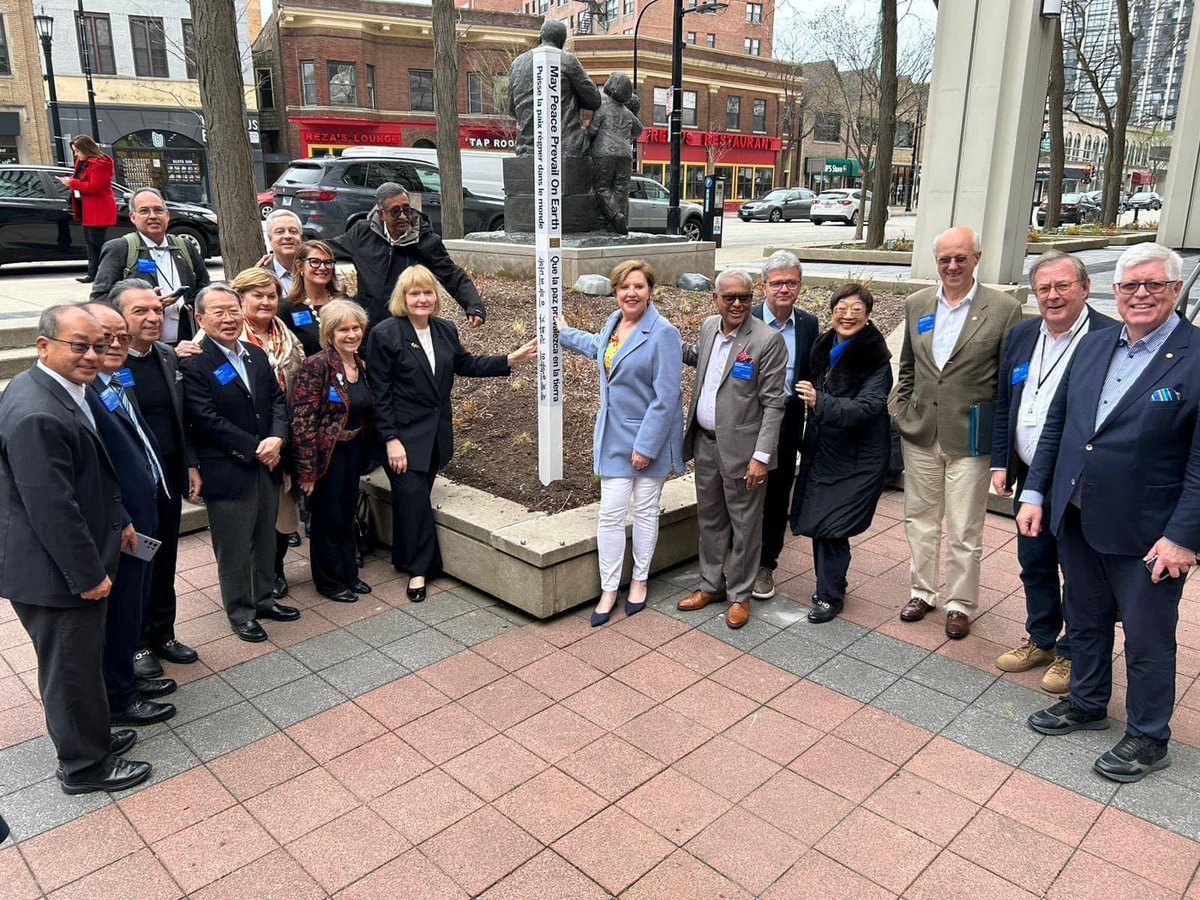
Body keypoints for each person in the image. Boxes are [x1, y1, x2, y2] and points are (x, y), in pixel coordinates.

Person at [1017, 243, 1200, 784]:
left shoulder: (1195, 356)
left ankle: (1148, 735)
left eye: (1153, 285)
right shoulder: (1094, 346)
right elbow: (1060, 428)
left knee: (1146, 638)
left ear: (1174, 290)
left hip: (1150, 533)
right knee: (1087, 620)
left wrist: (1184, 537)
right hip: (1078, 515)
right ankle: (1087, 701)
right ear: (1114, 292)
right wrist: (1035, 494)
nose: (1140, 294)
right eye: (1129, 286)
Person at [0, 305, 150, 794]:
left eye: (99, 344)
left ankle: (92, 736)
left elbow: (88, 476)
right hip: (55, 572)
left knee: (81, 664)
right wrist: (87, 573)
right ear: (44, 346)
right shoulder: (38, 412)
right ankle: (84, 767)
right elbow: (52, 508)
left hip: (66, 557)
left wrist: (121, 520)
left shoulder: (60, 389)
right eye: (79, 345)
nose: (93, 354)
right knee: (70, 671)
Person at [366, 265, 536, 602]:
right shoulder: (385, 334)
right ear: (403, 297)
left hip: (434, 435)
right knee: (414, 501)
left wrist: (510, 359)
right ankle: (419, 571)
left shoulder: (443, 329)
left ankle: (403, 556)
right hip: (402, 437)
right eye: (415, 293)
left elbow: (465, 365)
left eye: (428, 292)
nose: (422, 298)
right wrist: (391, 439)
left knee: (410, 502)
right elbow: (379, 393)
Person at [990, 251, 1118, 693]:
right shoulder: (1023, 334)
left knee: (1079, 572)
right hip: (1030, 474)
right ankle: (1041, 637)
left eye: (1063, 285)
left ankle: (1071, 652)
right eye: (1044, 288)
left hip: (1080, 481)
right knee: (1035, 561)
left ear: (1084, 288)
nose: (1053, 296)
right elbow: (1008, 402)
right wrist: (1000, 460)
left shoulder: (1110, 337)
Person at [892, 226, 1023, 639]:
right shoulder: (917, 304)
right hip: (920, 432)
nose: (952, 266)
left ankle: (960, 603)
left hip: (971, 437)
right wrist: (900, 410)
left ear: (976, 258)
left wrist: (1001, 439)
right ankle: (923, 591)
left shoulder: (1003, 308)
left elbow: (1007, 380)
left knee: (965, 527)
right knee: (920, 520)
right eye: (945, 259)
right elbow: (909, 368)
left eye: (960, 258)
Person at [557, 260, 684, 626]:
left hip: (649, 438)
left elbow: (667, 397)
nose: (631, 293)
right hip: (613, 437)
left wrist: (646, 446)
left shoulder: (663, 333)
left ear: (650, 291)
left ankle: (640, 580)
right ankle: (609, 587)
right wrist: (566, 333)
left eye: (639, 287)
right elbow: (601, 348)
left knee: (645, 512)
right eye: (625, 287)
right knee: (610, 514)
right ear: (615, 291)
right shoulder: (614, 324)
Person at [181, 285, 300, 642]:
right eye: (217, 312)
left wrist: (277, 438)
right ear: (200, 319)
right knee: (233, 546)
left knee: (265, 538)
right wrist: (255, 448)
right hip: (229, 468)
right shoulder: (194, 362)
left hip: (268, 462)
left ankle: (264, 598)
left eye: (232, 310)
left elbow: (278, 400)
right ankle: (240, 611)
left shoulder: (254, 353)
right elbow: (204, 418)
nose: (228, 319)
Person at [81, 302, 177, 725]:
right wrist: (125, 518)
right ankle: (121, 697)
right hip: (123, 525)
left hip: (145, 513)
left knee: (136, 599)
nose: (116, 344)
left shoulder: (116, 380)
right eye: (106, 337)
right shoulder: (85, 393)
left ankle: (126, 680)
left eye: (122, 336)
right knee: (120, 611)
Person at [677, 270, 788, 629]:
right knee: (709, 519)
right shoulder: (710, 326)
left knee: (744, 525)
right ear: (716, 299)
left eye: (744, 297)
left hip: (744, 452)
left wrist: (761, 456)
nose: (737, 304)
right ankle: (711, 585)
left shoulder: (767, 340)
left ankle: (740, 595)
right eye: (730, 298)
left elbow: (774, 405)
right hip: (706, 443)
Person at [110, 279, 203, 679]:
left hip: (167, 479)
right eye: (139, 311)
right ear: (118, 318)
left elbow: (181, 420)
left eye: (156, 309)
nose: (152, 318)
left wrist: (190, 465)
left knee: (165, 561)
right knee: (136, 569)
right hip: (132, 488)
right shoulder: (110, 366)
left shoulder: (166, 356)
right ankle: (136, 645)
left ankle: (163, 632)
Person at [792, 284, 893, 623]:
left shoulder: (876, 359)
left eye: (856, 311)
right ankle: (830, 586)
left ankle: (829, 597)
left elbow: (868, 407)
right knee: (821, 523)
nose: (847, 316)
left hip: (858, 458)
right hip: (824, 451)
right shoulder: (825, 345)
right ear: (832, 311)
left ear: (867, 317)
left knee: (834, 526)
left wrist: (821, 401)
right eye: (841, 308)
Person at [229, 268, 306, 600]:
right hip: (245, 443)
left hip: (284, 436)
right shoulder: (227, 336)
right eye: (256, 295)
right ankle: (248, 580)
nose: (265, 301)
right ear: (241, 298)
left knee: (283, 512)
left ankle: (275, 570)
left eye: (271, 295)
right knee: (250, 515)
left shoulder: (286, 334)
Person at [291, 300, 375, 602]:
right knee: (327, 517)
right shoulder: (317, 366)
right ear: (329, 332)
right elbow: (302, 420)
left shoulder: (359, 364)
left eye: (356, 328)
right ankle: (329, 581)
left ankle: (349, 573)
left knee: (346, 513)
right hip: (326, 455)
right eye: (343, 329)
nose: (351, 334)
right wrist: (307, 470)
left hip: (353, 450)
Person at [752, 250, 819, 601]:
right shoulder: (744, 318)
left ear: (799, 286)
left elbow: (814, 370)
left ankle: (766, 564)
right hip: (749, 418)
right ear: (763, 286)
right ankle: (737, 559)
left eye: (790, 283)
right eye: (776, 283)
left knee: (778, 495)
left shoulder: (808, 324)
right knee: (744, 492)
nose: (783, 289)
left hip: (789, 418)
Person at [327, 184, 486, 330]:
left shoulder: (426, 242)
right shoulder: (362, 234)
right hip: (369, 323)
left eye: (406, 209)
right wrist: (302, 248)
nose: (403, 216)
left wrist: (473, 305)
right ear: (381, 214)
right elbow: (326, 250)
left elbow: (452, 275)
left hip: (407, 325)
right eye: (395, 211)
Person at [91, 188, 210, 343]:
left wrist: (191, 302)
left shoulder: (185, 246)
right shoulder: (120, 248)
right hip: (142, 344)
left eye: (158, 210)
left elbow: (205, 288)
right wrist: (144, 305)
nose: (152, 216)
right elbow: (100, 298)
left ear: (167, 215)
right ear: (133, 217)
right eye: (144, 211)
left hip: (189, 341)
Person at [508, 19, 602, 157]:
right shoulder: (567, 60)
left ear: (541, 37)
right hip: (566, 149)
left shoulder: (517, 63)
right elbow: (594, 100)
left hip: (526, 150)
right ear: (562, 42)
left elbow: (511, 109)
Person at [586, 73, 642, 234]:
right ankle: (621, 227)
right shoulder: (628, 113)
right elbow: (638, 129)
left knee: (601, 187)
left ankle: (616, 216)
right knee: (621, 190)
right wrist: (627, 139)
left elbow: (592, 130)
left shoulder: (602, 108)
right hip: (625, 154)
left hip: (604, 153)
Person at [59, 135, 117, 284]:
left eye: (77, 151)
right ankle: (93, 273)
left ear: (86, 149)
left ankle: (105, 273)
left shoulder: (102, 163)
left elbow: (94, 186)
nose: (76, 155)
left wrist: (71, 182)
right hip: (86, 206)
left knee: (97, 241)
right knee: (90, 242)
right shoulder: (83, 162)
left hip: (98, 207)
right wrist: (73, 182)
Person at [280, 240, 348, 356]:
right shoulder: (286, 308)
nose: (322, 267)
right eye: (315, 262)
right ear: (300, 266)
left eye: (328, 262)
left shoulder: (344, 302)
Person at [258, 209, 304, 295]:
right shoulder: (260, 277)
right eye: (280, 232)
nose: (287, 236)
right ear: (270, 239)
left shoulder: (313, 270)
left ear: (300, 238)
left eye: (293, 231)